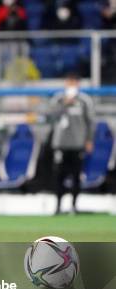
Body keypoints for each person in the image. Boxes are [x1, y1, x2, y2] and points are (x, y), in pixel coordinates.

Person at [49, 73, 94, 214]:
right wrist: (65, 104)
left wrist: (89, 140)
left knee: (76, 176)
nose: (71, 85)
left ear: (78, 84)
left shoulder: (85, 100)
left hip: (78, 144)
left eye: (74, 82)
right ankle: (58, 207)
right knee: (59, 177)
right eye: (69, 82)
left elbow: (90, 122)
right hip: (61, 144)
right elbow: (51, 117)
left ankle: (74, 206)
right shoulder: (58, 99)